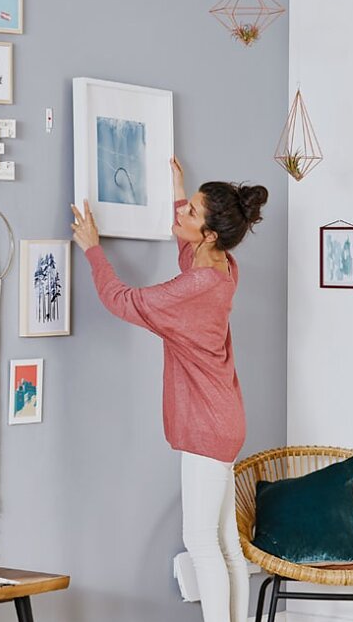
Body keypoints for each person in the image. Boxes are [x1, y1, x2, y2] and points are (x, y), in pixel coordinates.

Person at [71, 157, 269, 622]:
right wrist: (180, 190)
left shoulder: (198, 284)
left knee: (202, 542)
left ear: (210, 234)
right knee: (225, 543)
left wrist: (93, 249)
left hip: (206, 426)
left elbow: (123, 301)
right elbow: (188, 254)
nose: (180, 215)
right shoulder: (222, 267)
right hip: (225, 419)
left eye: (191, 214)